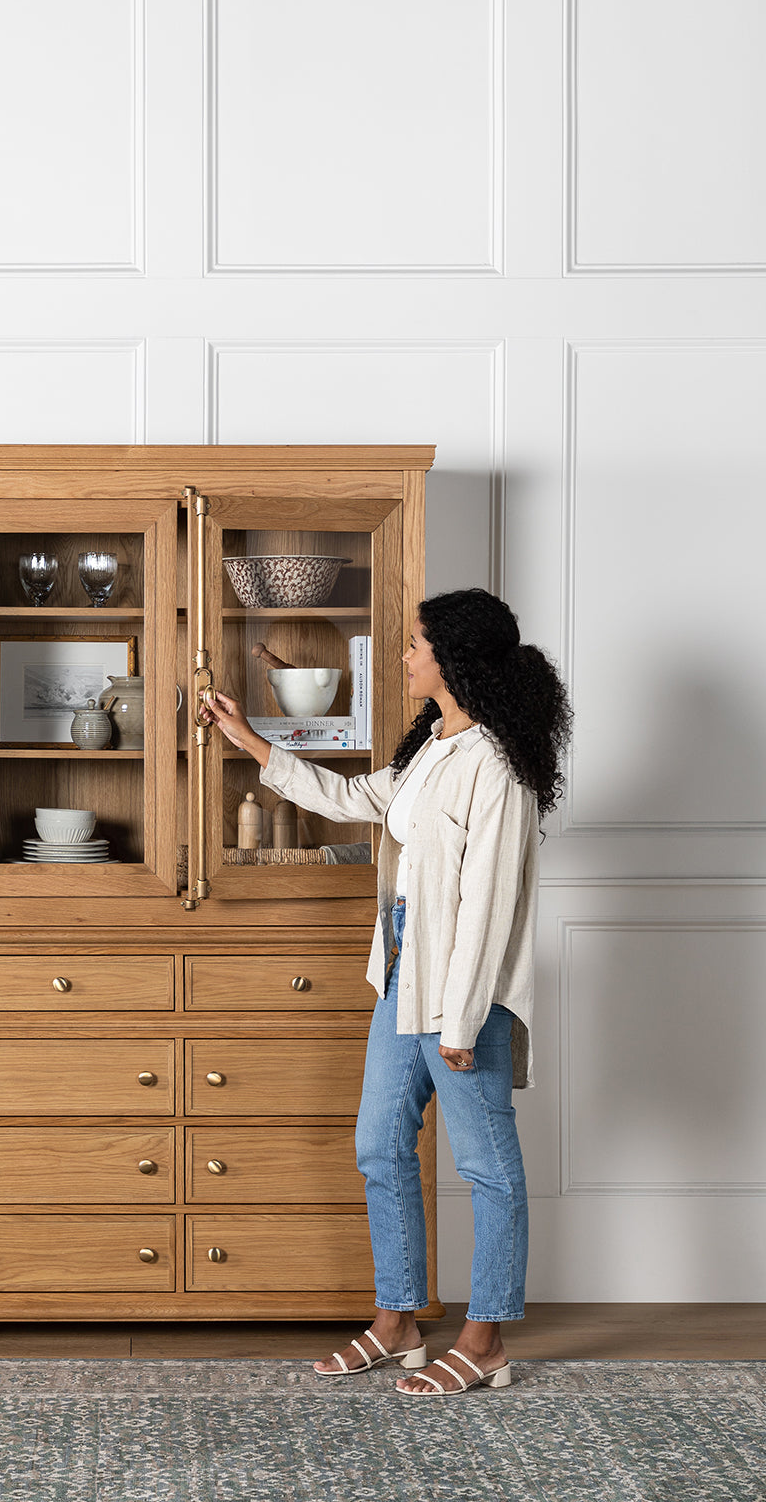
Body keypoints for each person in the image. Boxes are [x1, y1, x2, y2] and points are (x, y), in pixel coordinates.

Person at [201, 587, 571, 1396]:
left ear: (454, 657)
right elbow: (350, 799)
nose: (402, 656)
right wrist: (249, 741)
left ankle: (485, 1338)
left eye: (413, 644)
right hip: (403, 979)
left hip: (461, 998)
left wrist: (464, 1019)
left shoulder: (499, 767)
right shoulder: (433, 747)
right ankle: (399, 1319)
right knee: (378, 1145)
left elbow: (488, 906)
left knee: (487, 1167)